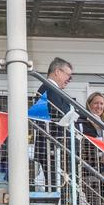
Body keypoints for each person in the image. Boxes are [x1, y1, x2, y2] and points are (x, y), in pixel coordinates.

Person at [33, 56, 74, 192]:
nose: (69, 79)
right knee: (58, 187)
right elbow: (59, 114)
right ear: (57, 72)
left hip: (53, 147)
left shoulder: (49, 88)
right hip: (52, 147)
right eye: (68, 75)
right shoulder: (49, 89)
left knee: (60, 186)